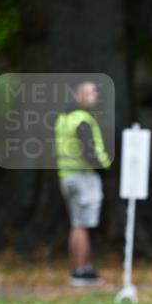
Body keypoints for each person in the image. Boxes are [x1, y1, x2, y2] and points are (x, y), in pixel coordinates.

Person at [55, 80, 112, 286]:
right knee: (82, 226)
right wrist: (104, 166)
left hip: (66, 177)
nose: (95, 95)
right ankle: (80, 271)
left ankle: (82, 268)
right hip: (83, 177)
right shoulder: (82, 119)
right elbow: (89, 150)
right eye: (90, 92)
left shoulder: (63, 119)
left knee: (76, 225)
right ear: (78, 95)